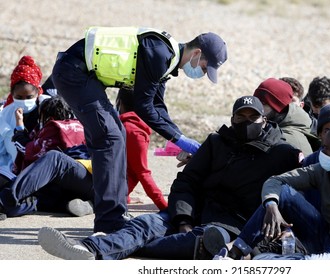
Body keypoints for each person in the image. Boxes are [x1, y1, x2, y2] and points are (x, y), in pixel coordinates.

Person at [37, 95, 303, 260]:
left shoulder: (281, 153)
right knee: (144, 225)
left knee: (200, 243)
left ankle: (110, 247)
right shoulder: (216, 142)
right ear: (232, 118)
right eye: (240, 116)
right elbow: (186, 182)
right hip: (194, 210)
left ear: (264, 120)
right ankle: (86, 249)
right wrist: (183, 217)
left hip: (230, 225)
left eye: (252, 117)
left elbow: (300, 183)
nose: (246, 122)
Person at [51, 26, 227, 233]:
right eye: (205, 68)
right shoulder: (160, 54)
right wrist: (178, 139)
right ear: (197, 53)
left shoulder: (167, 61)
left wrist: (181, 136)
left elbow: (158, 107)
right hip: (73, 72)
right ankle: (109, 221)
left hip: (85, 77)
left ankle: (116, 212)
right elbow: (144, 107)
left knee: (116, 135)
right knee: (110, 138)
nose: (203, 73)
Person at [213, 124, 330, 260]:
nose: (321, 153)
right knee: (283, 193)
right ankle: (235, 253)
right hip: (326, 238)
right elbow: (276, 181)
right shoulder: (322, 170)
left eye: (326, 149)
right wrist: (271, 205)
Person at [0, 150, 94, 219]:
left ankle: (3, 202)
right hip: (84, 183)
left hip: (99, 181)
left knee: (55, 159)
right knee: (39, 194)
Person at [116, 86, 167, 209]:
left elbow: (127, 168)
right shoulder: (133, 131)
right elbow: (142, 173)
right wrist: (165, 206)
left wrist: (125, 196)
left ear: (120, 103)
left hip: (108, 189)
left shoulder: (124, 126)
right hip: (105, 191)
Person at [0, 56, 50, 172]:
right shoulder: (5, 114)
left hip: (43, 168)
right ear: (12, 94)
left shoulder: (48, 108)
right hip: (12, 167)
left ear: (38, 92)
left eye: (29, 97)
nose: (24, 101)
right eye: (19, 97)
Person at [12, 95, 85, 174]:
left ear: (48, 117)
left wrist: (19, 128)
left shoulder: (54, 129)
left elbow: (27, 150)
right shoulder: (80, 125)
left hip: (60, 177)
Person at [253, 77, 314, 157]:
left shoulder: (288, 141)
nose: (257, 108)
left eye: (263, 103)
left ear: (277, 108)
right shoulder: (270, 131)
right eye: (257, 102)